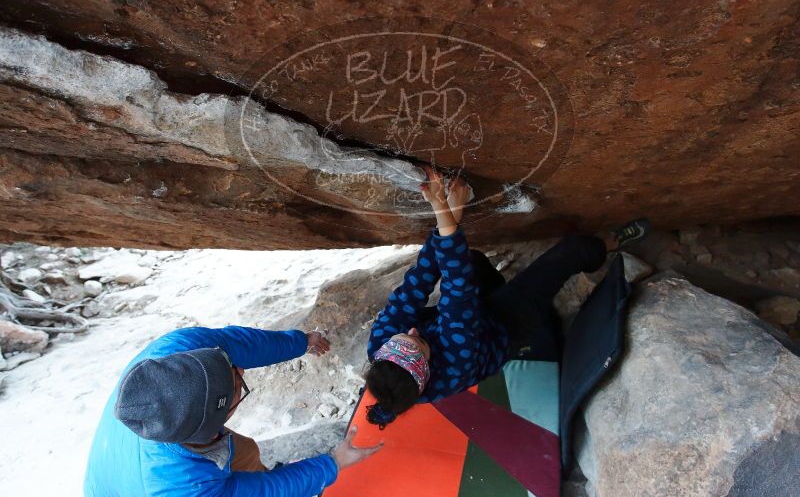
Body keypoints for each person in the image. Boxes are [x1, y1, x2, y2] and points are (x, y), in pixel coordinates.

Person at [365, 167, 650, 427]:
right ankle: (608, 244)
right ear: (427, 366)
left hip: (469, 315)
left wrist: (448, 217)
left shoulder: (381, 342)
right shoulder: (455, 362)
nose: (412, 330)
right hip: (505, 329)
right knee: (571, 252)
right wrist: (445, 208)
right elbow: (457, 291)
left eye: (401, 337)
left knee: (470, 260)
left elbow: (417, 283)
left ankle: (504, 287)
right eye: (418, 341)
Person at [84, 325, 382, 496]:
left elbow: (237, 344)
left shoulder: (175, 353)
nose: (239, 369)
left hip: (126, 458)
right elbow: (265, 493)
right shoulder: (183, 487)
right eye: (239, 383)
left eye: (227, 365)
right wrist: (332, 463)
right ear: (216, 422)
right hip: (128, 487)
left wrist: (300, 342)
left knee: (246, 452)